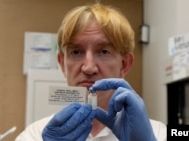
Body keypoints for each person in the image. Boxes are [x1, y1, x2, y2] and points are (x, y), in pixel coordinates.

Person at [15, 2, 167, 141]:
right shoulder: (34, 135)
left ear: (124, 64)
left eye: (103, 52)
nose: (88, 68)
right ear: (62, 64)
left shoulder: (160, 133)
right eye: (76, 52)